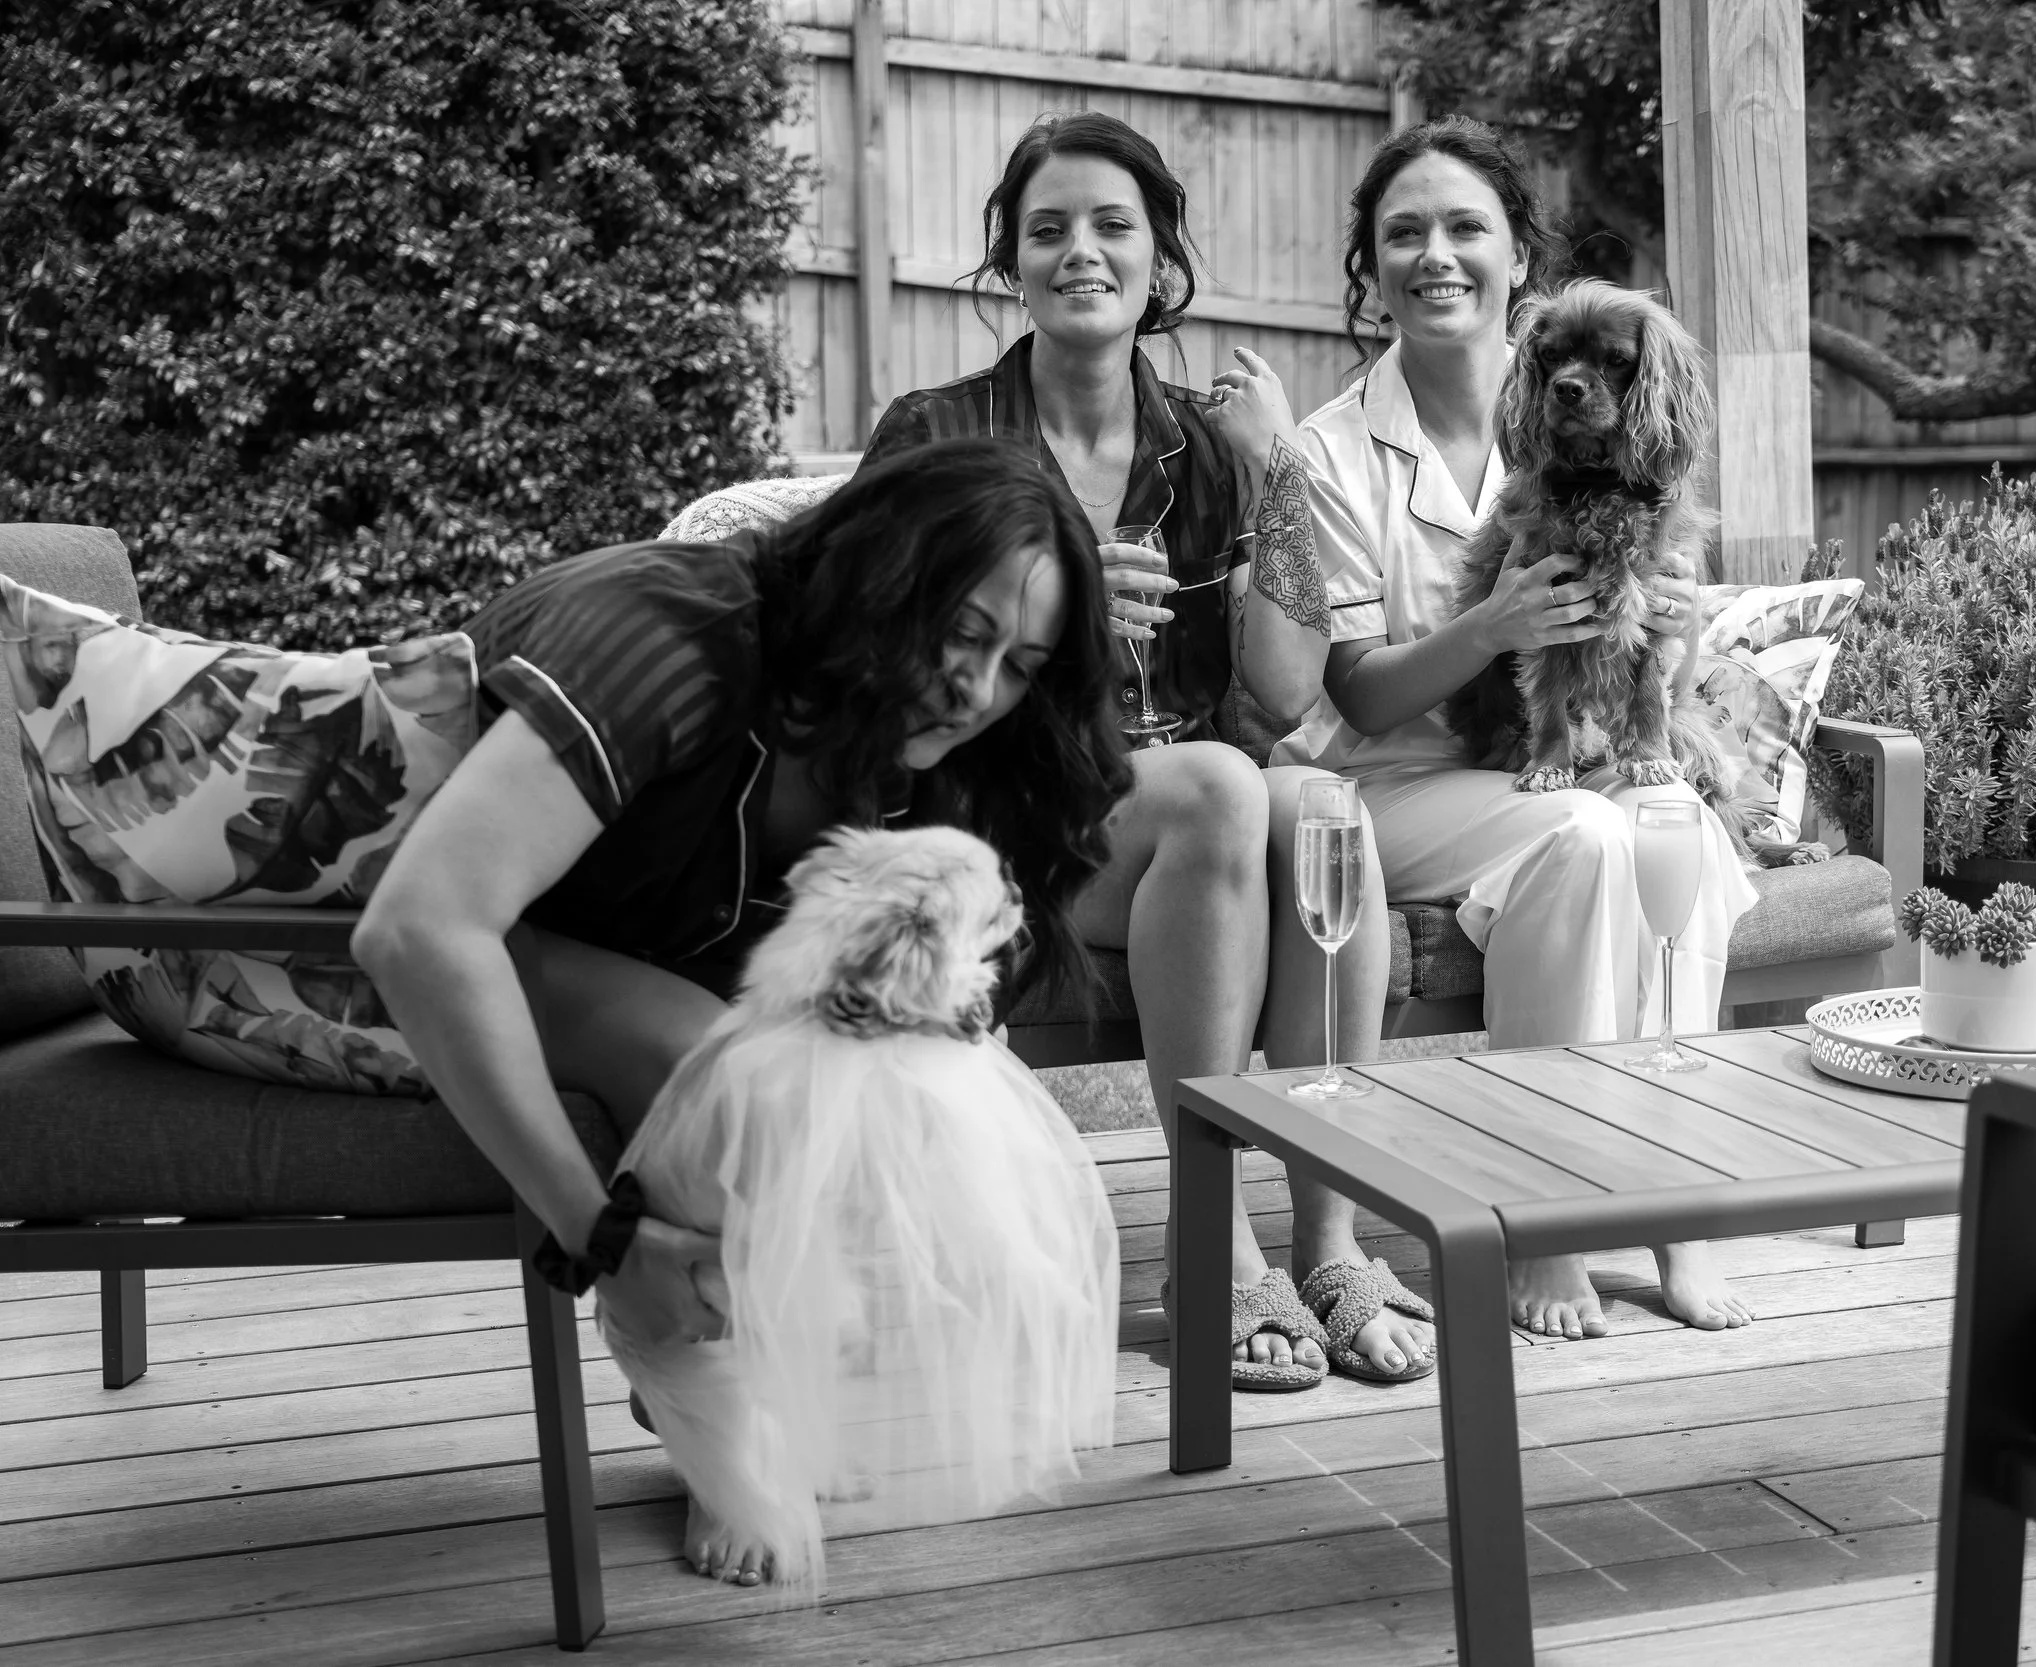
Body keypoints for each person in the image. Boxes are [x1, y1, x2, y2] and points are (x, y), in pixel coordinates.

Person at [675, 112, 1432, 1388]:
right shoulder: (939, 432)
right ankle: (1213, 1245)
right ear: (1010, 263)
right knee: (1221, 783)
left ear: (1158, 257)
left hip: (1181, 836)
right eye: (1047, 230)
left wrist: (1280, 470)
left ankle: (1325, 1237)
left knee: (1321, 813)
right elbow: (863, 664)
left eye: (1111, 226)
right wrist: (1063, 610)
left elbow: (1288, 683)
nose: (1080, 251)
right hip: (988, 820)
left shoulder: (1204, 443)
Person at [354, 440, 1133, 1583]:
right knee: (720, 1063)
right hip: (356, 953)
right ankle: (691, 1383)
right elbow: (416, 929)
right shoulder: (661, 640)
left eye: (1020, 663)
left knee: (874, 1083)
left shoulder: (895, 725)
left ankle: (729, 1349)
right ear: (877, 571)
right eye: (961, 632)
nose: (978, 691)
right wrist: (599, 1236)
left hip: (606, 948)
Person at [1279, 116, 1762, 1338]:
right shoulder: (1326, 452)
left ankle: (1670, 1209)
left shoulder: (1613, 408)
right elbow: (1358, 696)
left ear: (1515, 257)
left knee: (1670, 828)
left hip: (1568, 761)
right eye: (1403, 234)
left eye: (1464, 229)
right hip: (1392, 782)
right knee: (1586, 844)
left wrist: (1669, 626)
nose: (1434, 255)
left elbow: (1651, 645)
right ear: (1370, 268)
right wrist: (1495, 625)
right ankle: (1538, 1223)